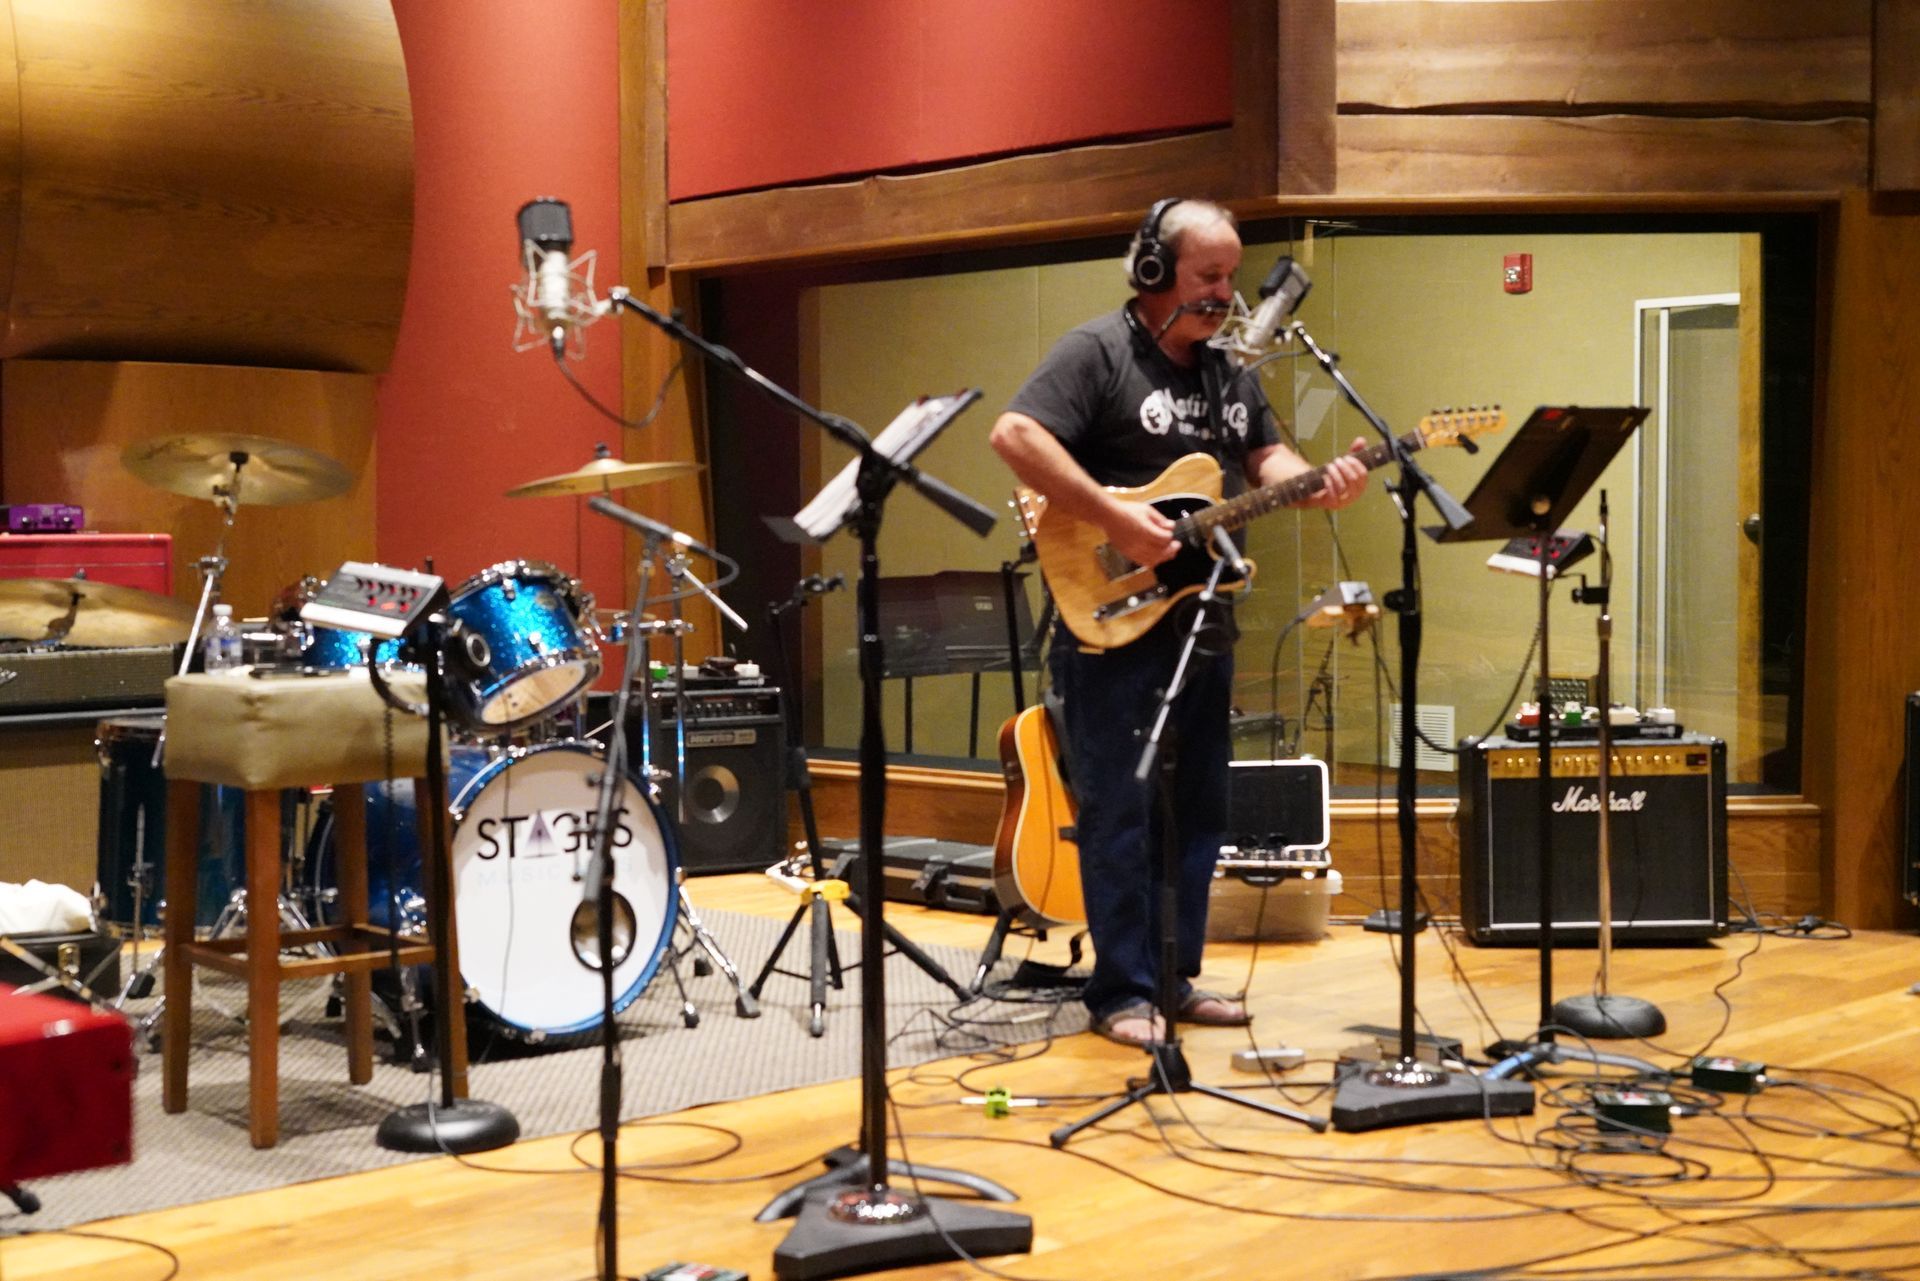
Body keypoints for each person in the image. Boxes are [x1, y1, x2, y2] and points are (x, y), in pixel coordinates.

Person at [988, 198, 1370, 1048]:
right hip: (1110, 617)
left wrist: (1320, 476)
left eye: (1232, 276)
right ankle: (1121, 991)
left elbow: (1266, 455)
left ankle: (1174, 976)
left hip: (1204, 613)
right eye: (1208, 276)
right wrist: (1116, 519)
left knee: (1196, 808)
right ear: (1156, 272)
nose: (1225, 293)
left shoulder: (1229, 370)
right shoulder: (1097, 352)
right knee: (1120, 805)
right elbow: (1015, 434)